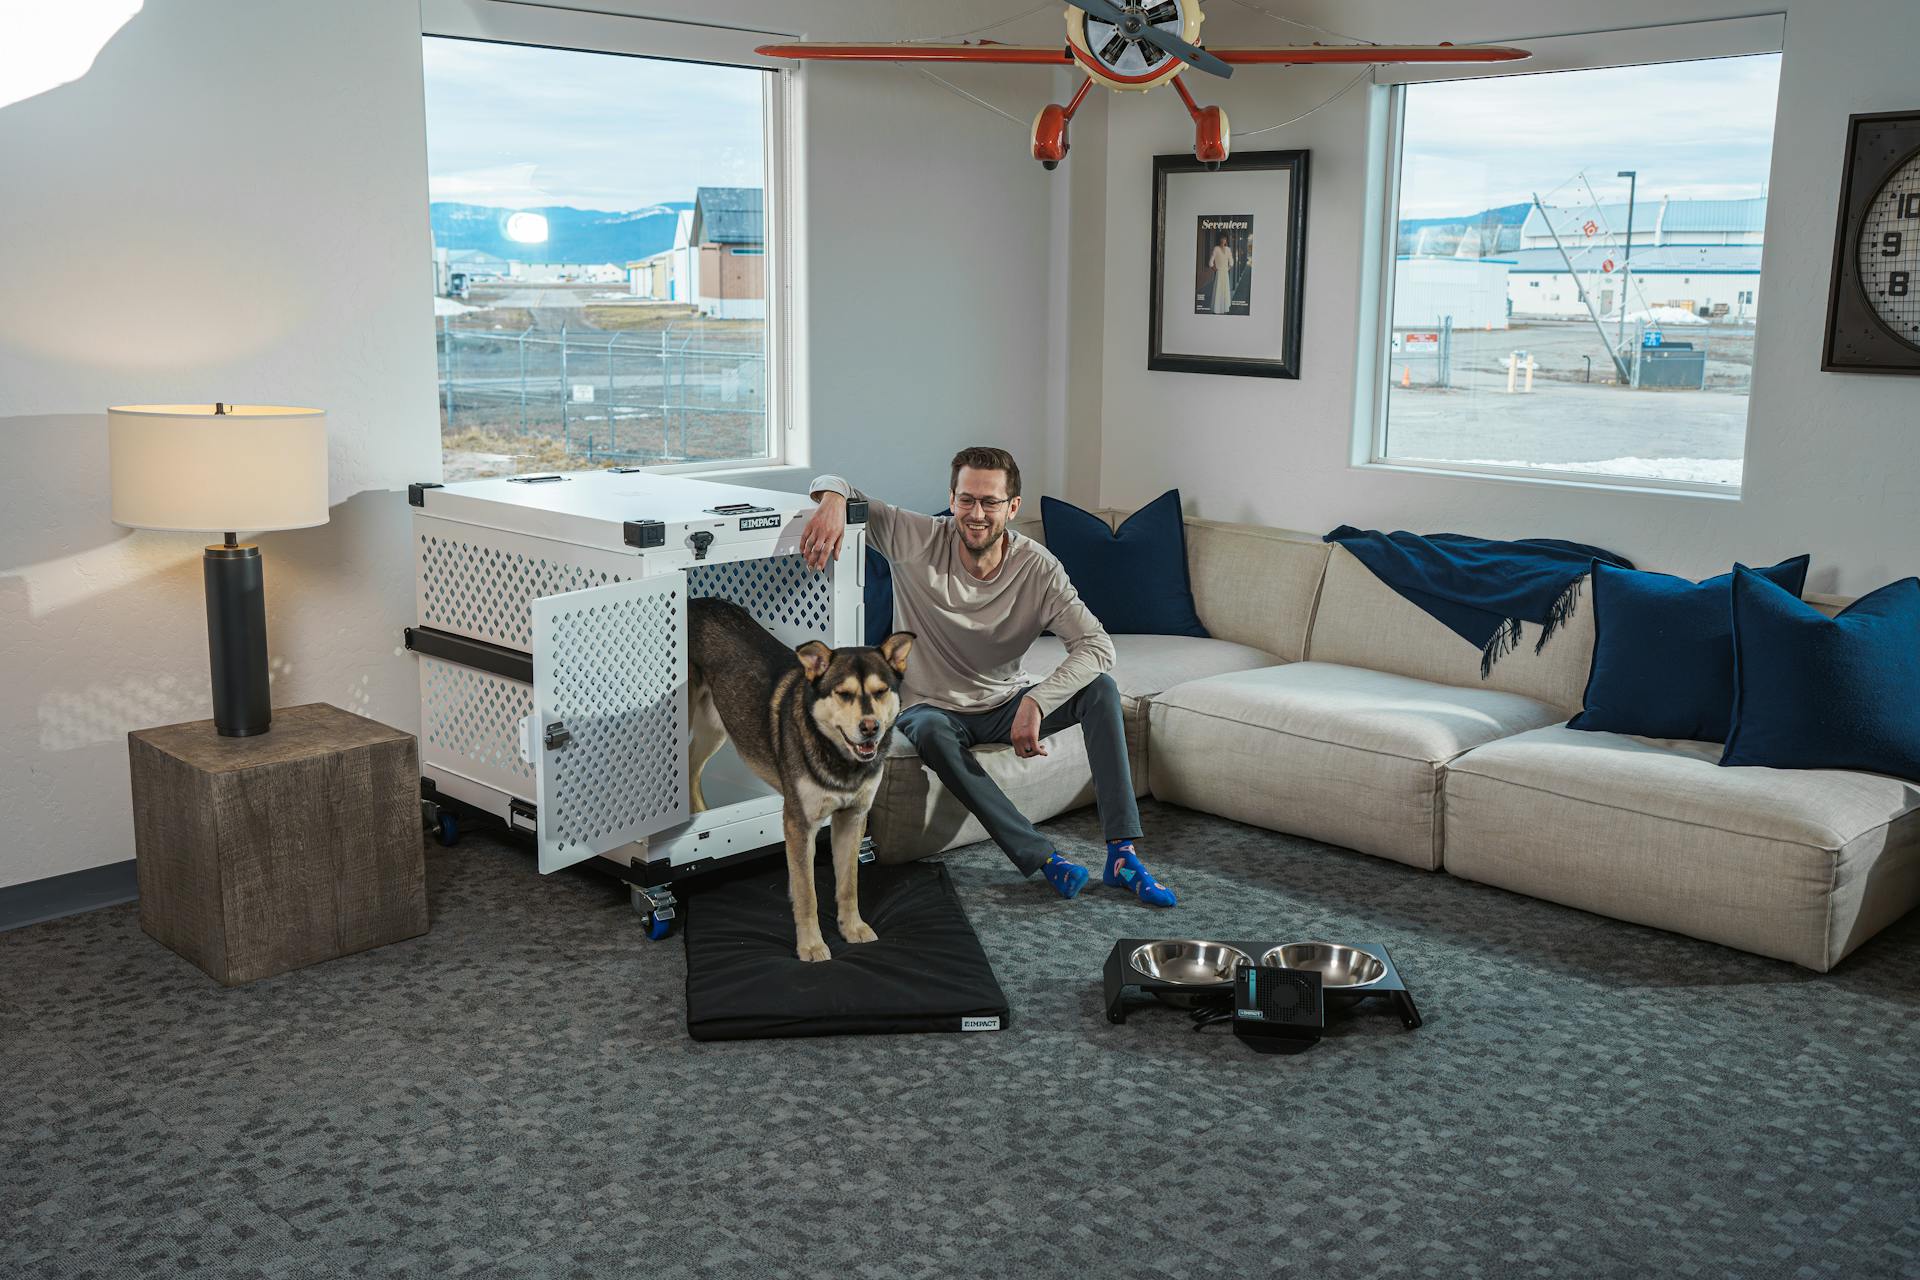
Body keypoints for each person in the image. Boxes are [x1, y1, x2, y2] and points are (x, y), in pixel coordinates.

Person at [799, 448, 1175, 907]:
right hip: (929, 707)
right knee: (932, 731)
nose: (976, 514)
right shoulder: (917, 537)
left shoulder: (1037, 568)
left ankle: (1122, 855)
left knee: (1101, 691)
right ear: (952, 499)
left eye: (990, 502)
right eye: (966, 500)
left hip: (1005, 702)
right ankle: (1043, 858)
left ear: (1012, 507)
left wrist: (1036, 703)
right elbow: (831, 480)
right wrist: (835, 502)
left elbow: (1098, 647)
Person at [1209, 234, 1234, 315]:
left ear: (1226, 240)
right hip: (1219, 273)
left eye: (1225, 239)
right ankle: (1217, 309)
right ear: (1219, 239)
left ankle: (1224, 308)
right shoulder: (1216, 249)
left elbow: (1231, 262)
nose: (1223, 240)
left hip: (1225, 273)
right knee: (1218, 290)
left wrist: (1228, 268)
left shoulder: (1228, 249)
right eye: (1222, 238)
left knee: (1225, 290)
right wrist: (1215, 269)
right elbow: (1210, 262)